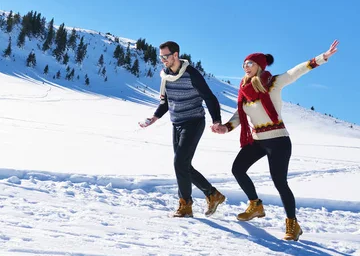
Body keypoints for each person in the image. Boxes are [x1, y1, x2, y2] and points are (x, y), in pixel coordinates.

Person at [212, 40, 339, 241]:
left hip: (278, 140)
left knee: (279, 182)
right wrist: (225, 127)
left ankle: (292, 224)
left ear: (260, 66)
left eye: (250, 63)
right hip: (257, 140)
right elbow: (240, 115)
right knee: (237, 169)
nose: (246, 67)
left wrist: (322, 58)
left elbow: (295, 72)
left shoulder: (272, 84)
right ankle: (255, 205)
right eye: (244, 64)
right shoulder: (244, 91)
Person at [140, 41, 225, 218]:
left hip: (194, 122)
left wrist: (216, 120)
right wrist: (154, 118)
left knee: (180, 163)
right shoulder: (165, 76)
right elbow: (165, 102)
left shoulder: (191, 74)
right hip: (177, 123)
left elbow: (209, 98)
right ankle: (212, 194)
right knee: (183, 165)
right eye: (161, 56)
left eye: (166, 56)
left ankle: (185, 205)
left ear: (176, 55)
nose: (163, 60)